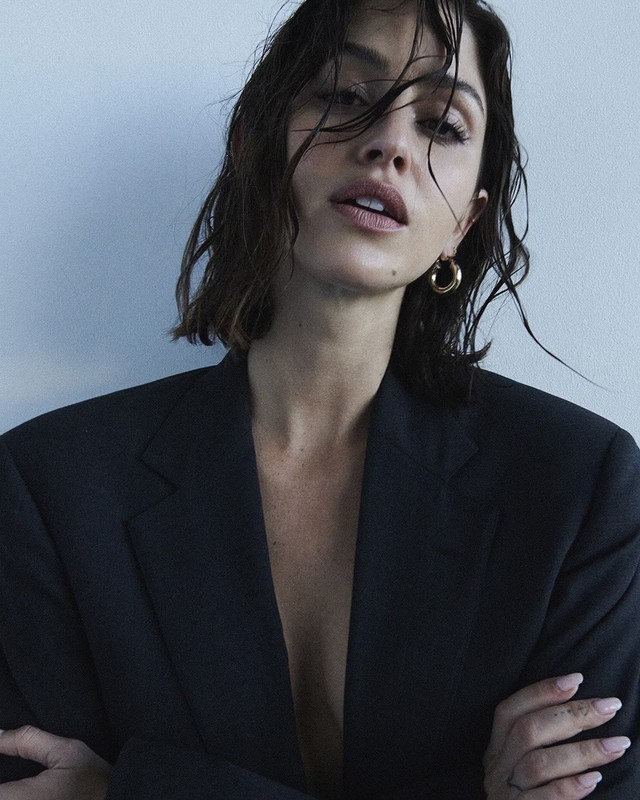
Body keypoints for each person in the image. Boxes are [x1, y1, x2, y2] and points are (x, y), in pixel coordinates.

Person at [0, 0, 638, 798]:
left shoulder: (579, 484)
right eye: (343, 95)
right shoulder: (50, 485)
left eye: (442, 125)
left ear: (465, 222)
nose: (389, 143)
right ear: (255, 144)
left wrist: (136, 787)